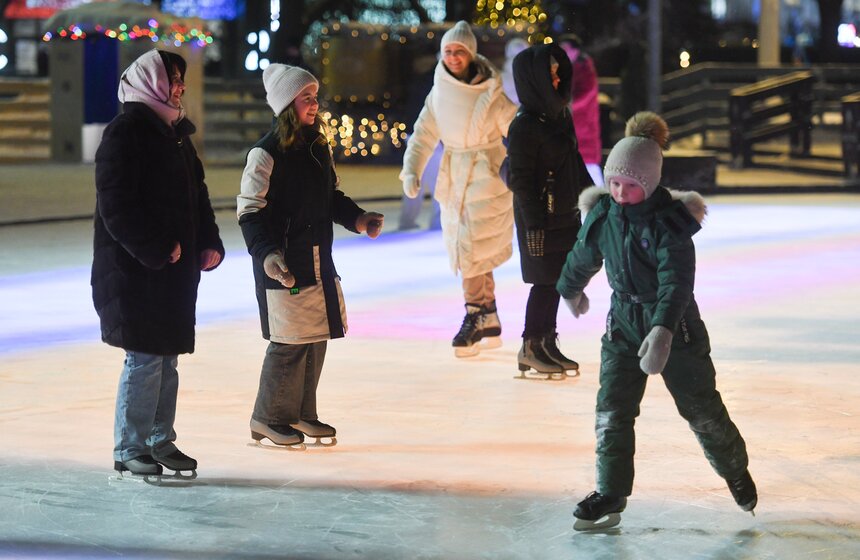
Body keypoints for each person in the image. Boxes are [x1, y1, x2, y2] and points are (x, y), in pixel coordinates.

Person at [556, 112, 757, 529]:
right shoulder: (604, 213)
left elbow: (676, 283)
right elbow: (584, 252)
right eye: (614, 183)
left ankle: (735, 470)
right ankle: (611, 492)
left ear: (648, 184)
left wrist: (663, 331)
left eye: (630, 186)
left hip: (674, 326)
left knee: (701, 408)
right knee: (612, 409)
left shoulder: (670, 222)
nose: (620, 192)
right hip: (621, 323)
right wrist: (569, 288)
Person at [92, 49, 225, 477]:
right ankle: (130, 446)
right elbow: (116, 206)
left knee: (166, 357)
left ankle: (158, 439)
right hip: (136, 271)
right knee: (146, 358)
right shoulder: (126, 131)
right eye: (172, 78)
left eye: (180, 78)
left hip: (172, 271)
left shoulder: (174, 133)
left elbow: (196, 197)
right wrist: (153, 248)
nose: (179, 86)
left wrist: (209, 241)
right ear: (151, 80)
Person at [238, 63, 384, 448]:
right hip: (283, 263)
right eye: (306, 97)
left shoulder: (318, 146)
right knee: (289, 342)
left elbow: (330, 197)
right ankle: (267, 416)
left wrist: (358, 218)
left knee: (314, 338)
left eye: (315, 96)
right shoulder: (264, 153)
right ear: (287, 103)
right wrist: (268, 254)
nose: (314, 103)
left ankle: (302, 413)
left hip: (318, 257)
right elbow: (250, 213)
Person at [399, 20, 518, 358]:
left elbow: (518, 128)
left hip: (488, 175)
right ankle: (488, 315)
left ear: (471, 54)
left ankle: (474, 315)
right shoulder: (439, 93)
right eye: (448, 51)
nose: (452, 57)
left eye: (459, 51)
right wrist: (411, 171)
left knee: (471, 250)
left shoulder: (492, 94)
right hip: (455, 179)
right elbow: (423, 135)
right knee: (471, 248)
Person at [507, 43, 593, 378]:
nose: (557, 80)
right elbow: (521, 179)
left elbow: (574, 163)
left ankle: (546, 341)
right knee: (543, 282)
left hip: (565, 214)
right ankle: (530, 346)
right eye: (551, 75)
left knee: (556, 280)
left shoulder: (560, 115)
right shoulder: (524, 125)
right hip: (539, 217)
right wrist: (534, 224)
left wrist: (595, 197)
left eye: (559, 73)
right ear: (534, 79)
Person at [558, 34, 603, 187]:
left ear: (575, 51)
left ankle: (600, 203)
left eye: (566, 48)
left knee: (589, 168)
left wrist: (566, 104)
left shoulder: (584, 68)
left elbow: (587, 92)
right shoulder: (564, 69)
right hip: (571, 126)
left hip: (583, 126)